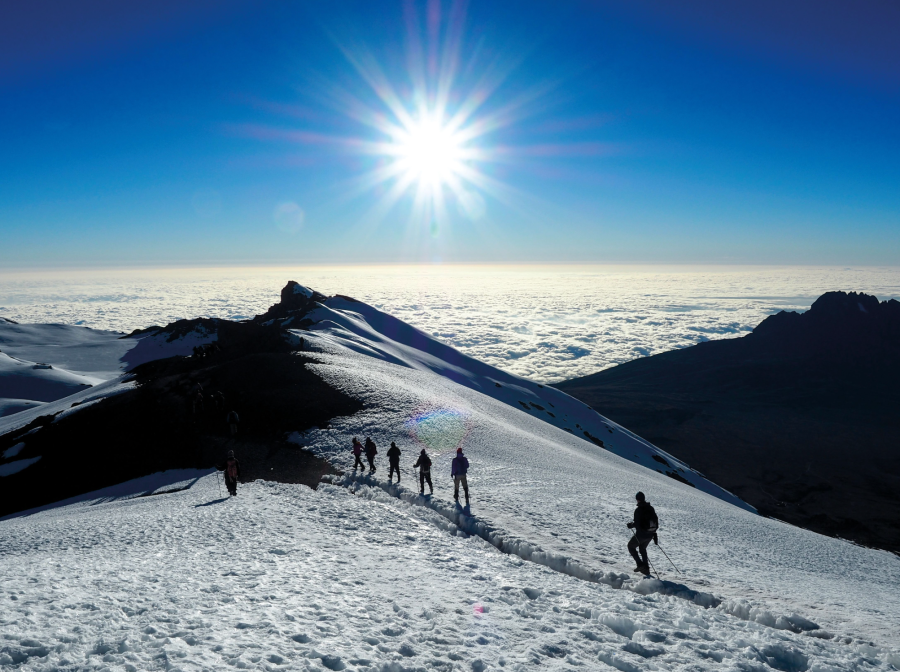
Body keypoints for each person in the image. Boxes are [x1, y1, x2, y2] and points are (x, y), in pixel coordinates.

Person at [626, 491, 659, 575]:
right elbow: (656, 520)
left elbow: (637, 523)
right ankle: (646, 569)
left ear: (637, 500)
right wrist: (654, 533)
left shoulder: (638, 510)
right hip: (650, 534)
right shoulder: (651, 508)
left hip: (641, 534)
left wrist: (631, 525)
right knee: (642, 549)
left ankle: (640, 564)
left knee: (631, 546)